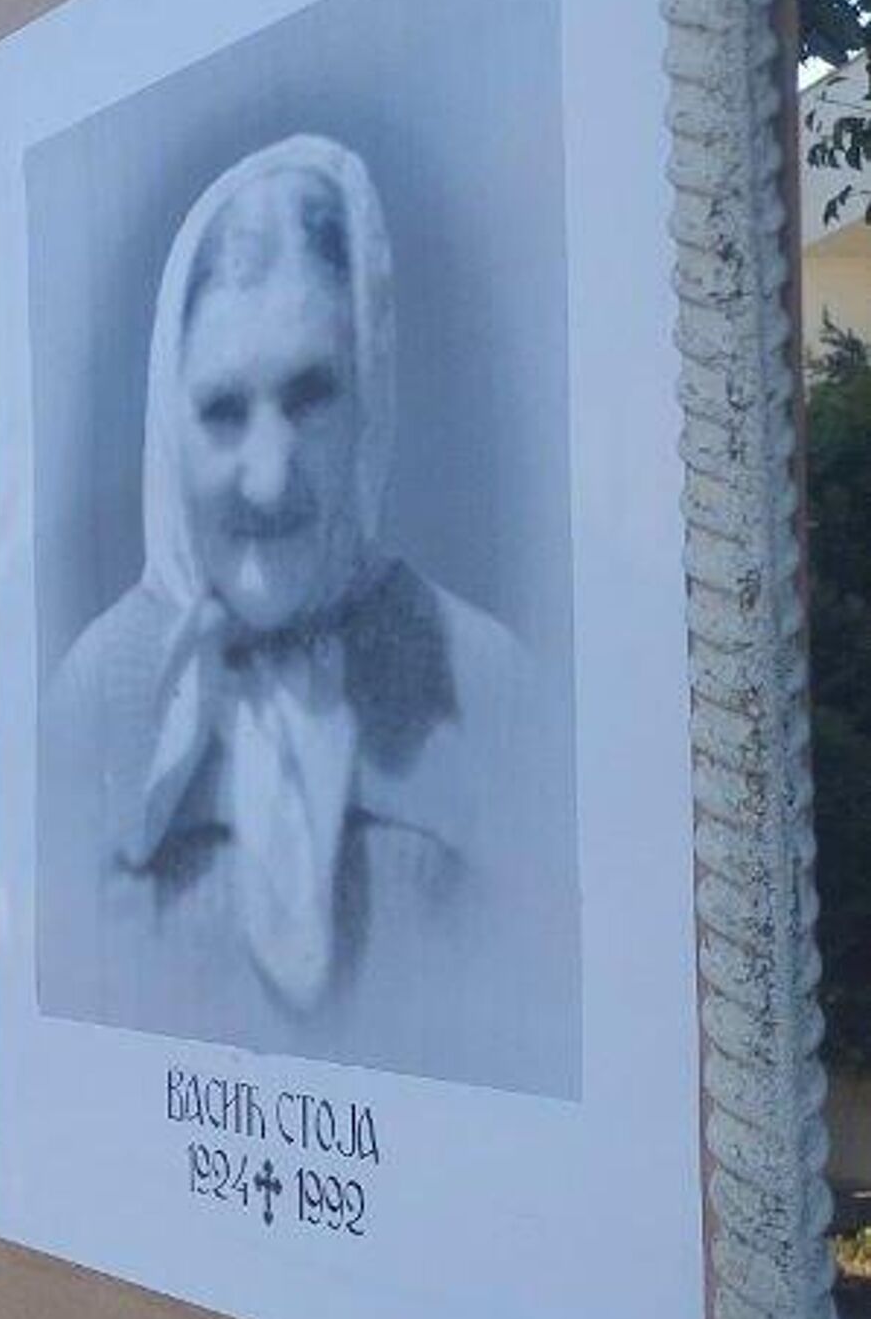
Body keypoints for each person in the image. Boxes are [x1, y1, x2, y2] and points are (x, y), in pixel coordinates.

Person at [37, 136, 569, 1091]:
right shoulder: (93, 696)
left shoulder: (488, 685)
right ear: (170, 418)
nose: (269, 473)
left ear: (371, 392)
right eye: (224, 411)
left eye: (311, 395)